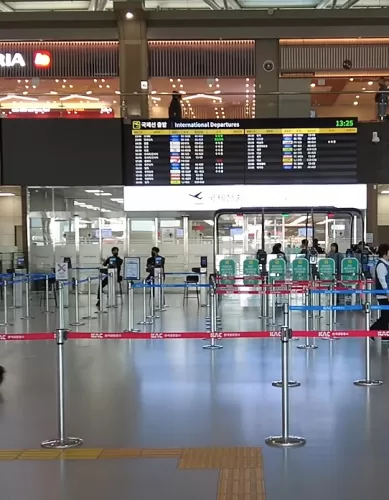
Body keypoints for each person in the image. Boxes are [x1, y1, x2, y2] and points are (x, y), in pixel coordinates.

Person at [370, 243, 389, 340]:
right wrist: (387, 292)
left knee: (386, 315)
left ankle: (377, 331)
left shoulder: (386, 264)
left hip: (385, 293)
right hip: (383, 294)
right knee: (386, 315)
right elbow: (382, 280)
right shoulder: (381, 265)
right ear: (385, 253)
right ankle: (381, 333)